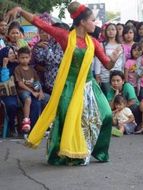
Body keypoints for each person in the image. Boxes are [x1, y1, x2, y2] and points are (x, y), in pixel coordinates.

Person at [5, 1, 120, 165]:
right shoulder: (66, 36)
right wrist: (21, 11)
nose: (95, 23)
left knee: (107, 114)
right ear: (82, 22)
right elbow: (41, 24)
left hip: (89, 85)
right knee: (65, 116)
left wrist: (113, 60)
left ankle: (99, 151)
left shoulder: (93, 42)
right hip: (70, 85)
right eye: (93, 20)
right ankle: (61, 153)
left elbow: (107, 64)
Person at [14, 47, 50, 133]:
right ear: (18, 58)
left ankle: (45, 121)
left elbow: (36, 82)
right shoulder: (18, 69)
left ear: (30, 58)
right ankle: (26, 120)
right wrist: (32, 92)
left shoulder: (32, 70)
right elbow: (20, 84)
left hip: (34, 91)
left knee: (47, 98)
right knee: (28, 99)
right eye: (22, 58)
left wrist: (40, 92)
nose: (24, 60)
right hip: (23, 91)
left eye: (26, 57)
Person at [94, 23, 124, 95]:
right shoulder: (102, 45)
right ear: (105, 32)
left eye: (113, 29)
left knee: (117, 97)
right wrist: (97, 74)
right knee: (107, 96)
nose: (111, 31)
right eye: (108, 30)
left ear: (116, 31)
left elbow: (122, 61)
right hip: (105, 75)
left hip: (117, 75)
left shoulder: (120, 46)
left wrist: (122, 73)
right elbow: (98, 60)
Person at [0, 46, 19, 136]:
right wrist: (4, 66)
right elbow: (5, 80)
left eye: (13, 53)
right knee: (9, 104)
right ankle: (9, 126)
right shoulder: (1, 66)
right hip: (3, 93)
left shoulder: (15, 65)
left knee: (12, 104)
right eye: (10, 53)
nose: (13, 55)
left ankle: (13, 125)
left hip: (11, 93)